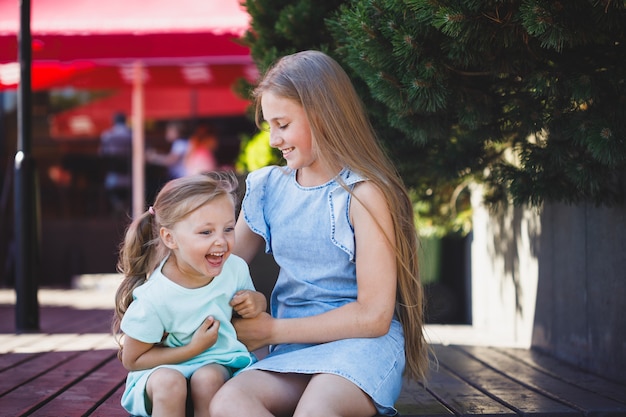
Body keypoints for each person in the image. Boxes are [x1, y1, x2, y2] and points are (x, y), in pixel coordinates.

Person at [209, 50, 429, 417]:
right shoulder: (267, 186)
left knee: (317, 409)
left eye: (283, 124)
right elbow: (222, 264)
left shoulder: (364, 194)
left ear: (324, 115)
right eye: (269, 127)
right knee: (228, 402)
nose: (274, 139)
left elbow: (374, 316)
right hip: (293, 351)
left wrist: (271, 331)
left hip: (361, 347)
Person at [112, 172, 267, 417]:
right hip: (162, 367)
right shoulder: (156, 295)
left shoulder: (235, 268)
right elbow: (132, 359)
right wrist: (193, 349)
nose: (221, 241)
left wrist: (257, 302)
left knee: (208, 378)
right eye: (206, 232)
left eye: (228, 229)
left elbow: (251, 310)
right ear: (170, 238)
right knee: (169, 383)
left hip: (219, 361)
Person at [100, 111, 132, 214]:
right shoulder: (132, 134)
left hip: (113, 175)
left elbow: (102, 153)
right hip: (130, 175)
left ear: (114, 121)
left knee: (111, 193)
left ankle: (117, 209)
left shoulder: (107, 135)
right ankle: (125, 211)